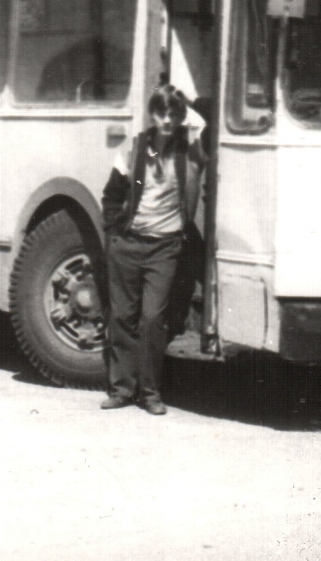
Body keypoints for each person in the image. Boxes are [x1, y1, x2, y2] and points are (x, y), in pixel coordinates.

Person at [99, 85, 206, 415]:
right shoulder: (134, 150)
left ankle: (150, 393)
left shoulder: (189, 149)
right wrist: (115, 232)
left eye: (174, 113)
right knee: (121, 318)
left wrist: (182, 100)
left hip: (164, 248)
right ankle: (121, 389)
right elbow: (111, 195)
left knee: (152, 319)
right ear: (151, 114)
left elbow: (204, 121)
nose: (167, 119)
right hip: (128, 245)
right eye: (161, 112)